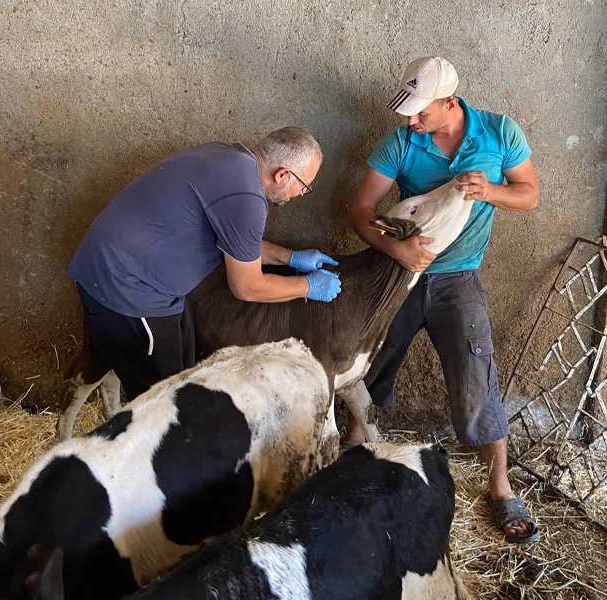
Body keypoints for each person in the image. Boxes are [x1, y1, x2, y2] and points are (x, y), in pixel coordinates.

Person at [346, 57, 540, 544]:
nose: (411, 121)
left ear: (450, 102)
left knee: (476, 371)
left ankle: (499, 483)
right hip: (397, 274)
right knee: (367, 364)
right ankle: (350, 457)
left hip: (459, 278)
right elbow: (361, 209)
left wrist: (492, 190)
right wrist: (397, 248)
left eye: (421, 113)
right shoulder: (399, 142)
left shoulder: (499, 133)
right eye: (408, 112)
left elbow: (530, 195)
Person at [67, 127, 341, 401]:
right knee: (163, 403)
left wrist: (289, 257)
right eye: (304, 186)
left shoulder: (231, 157)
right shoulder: (246, 199)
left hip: (135, 272)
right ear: (282, 175)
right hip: (127, 287)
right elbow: (247, 287)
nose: (300, 193)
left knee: (183, 373)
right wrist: (307, 286)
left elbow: (237, 243)